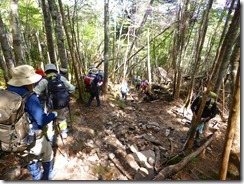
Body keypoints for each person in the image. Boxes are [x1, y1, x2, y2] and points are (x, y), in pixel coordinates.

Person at [7, 64, 57, 180]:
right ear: (27, 82)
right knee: (48, 154)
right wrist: (53, 115)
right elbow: (42, 120)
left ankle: (36, 176)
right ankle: (47, 176)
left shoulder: (8, 92)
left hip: (13, 137)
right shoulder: (29, 97)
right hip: (31, 135)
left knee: (29, 158)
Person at [34, 63, 75, 143]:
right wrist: (66, 94)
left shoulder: (44, 80)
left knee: (49, 122)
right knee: (62, 118)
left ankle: (51, 138)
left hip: (50, 105)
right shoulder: (61, 78)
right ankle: (64, 133)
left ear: (46, 71)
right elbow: (72, 88)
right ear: (55, 70)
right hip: (63, 104)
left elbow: (35, 92)